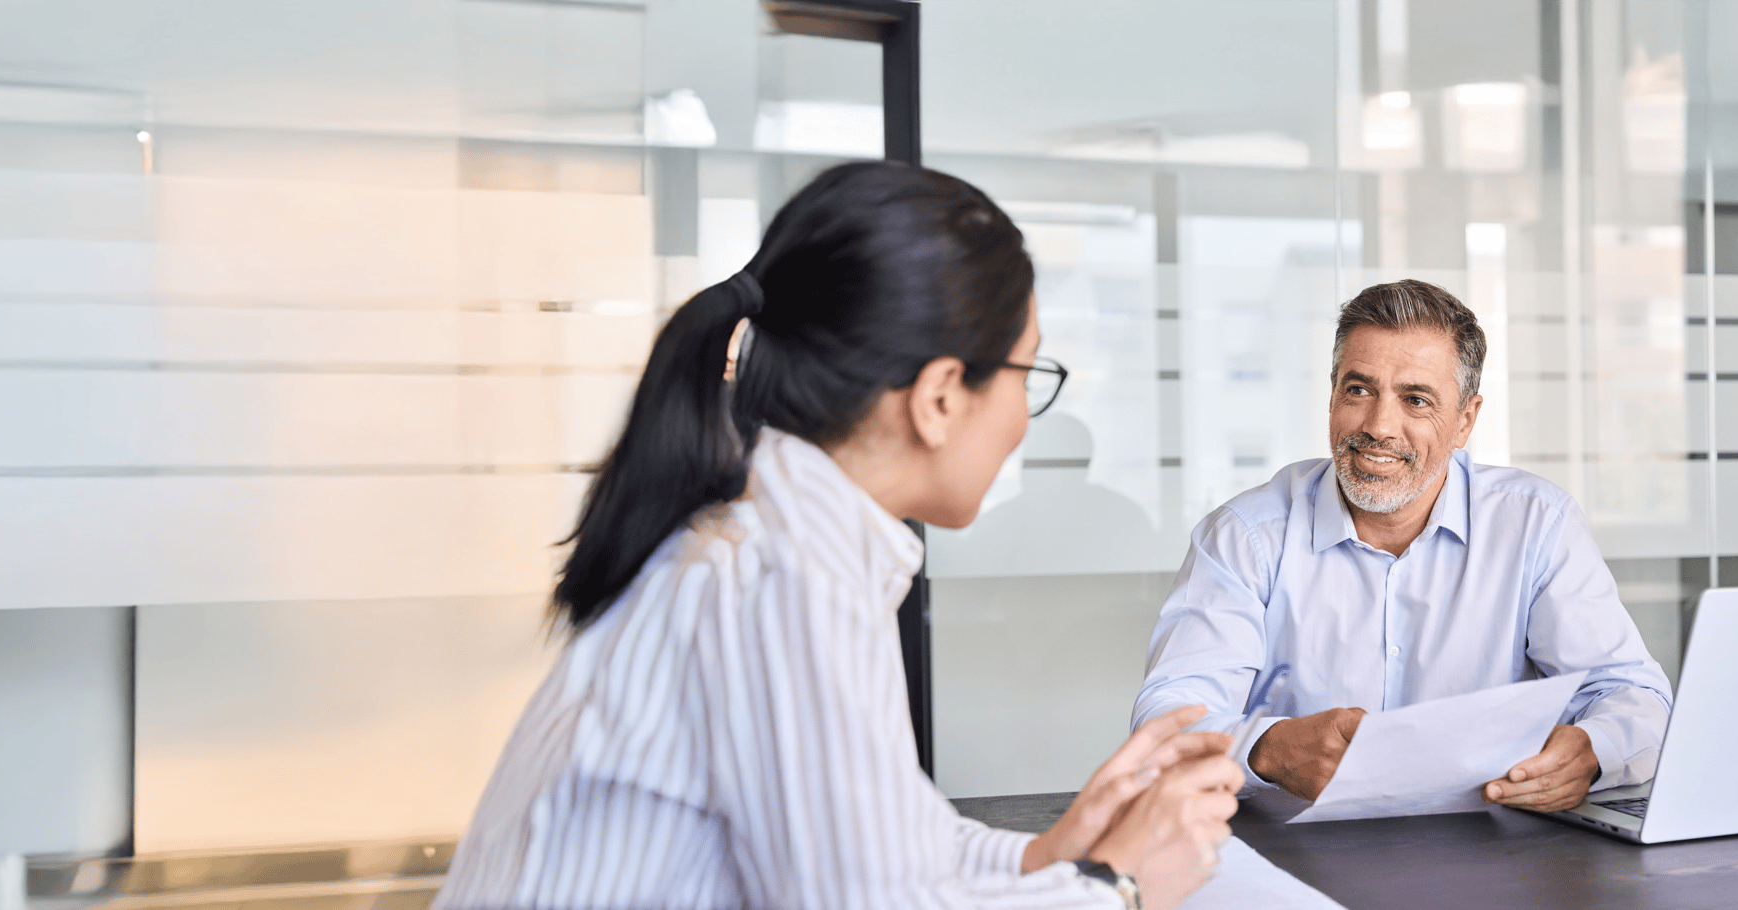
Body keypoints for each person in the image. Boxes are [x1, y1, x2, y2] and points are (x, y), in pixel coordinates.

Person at [437, 162, 1241, 910]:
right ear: (938, 398)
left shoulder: (786, 540)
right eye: (1026, 374)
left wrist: (1049, 854)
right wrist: (1120, 884)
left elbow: (886, 846)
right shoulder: (782, 575)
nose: (1024, 422)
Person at [1133, 279, 1673, 813]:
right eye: (1358, 390)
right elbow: (1166, 720)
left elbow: (1632, 694)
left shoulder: (1535, 525)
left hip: (1492, 843)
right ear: (1332, 393)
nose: (1379, 426)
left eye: (1416, 400)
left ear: (1464, 421)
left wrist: (1593, 752)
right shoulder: (1245, 535)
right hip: (1289, 844)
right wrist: (1267, 749)